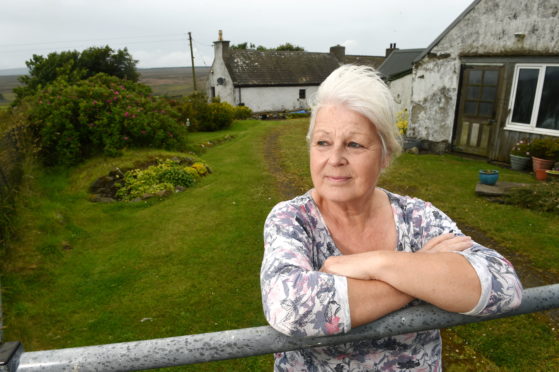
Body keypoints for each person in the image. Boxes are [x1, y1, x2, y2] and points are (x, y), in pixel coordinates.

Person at [260, 65, 523, 371]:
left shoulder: (417, 217)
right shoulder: (292, 218)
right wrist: (420, 269)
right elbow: (290, 309)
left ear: (384, 156)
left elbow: (505, 287)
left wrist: (374, 264)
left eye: (354, 144)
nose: (334, 159)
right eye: (322, 143)